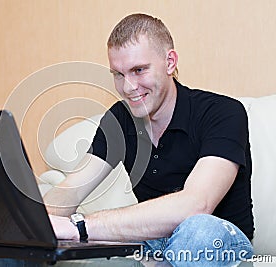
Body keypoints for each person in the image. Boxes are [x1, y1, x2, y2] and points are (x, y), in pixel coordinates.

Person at [44, 13, 254, 266]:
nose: (128, 87)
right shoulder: (120, 119)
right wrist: (21, 221)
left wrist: (80, 226)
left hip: (219, 243)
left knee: (198, 229)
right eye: (118, 74)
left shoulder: (222, 112)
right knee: (32, 238)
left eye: (138, 70)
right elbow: (72, 190)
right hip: (153, 242)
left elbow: (196, 205)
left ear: (169, 62)